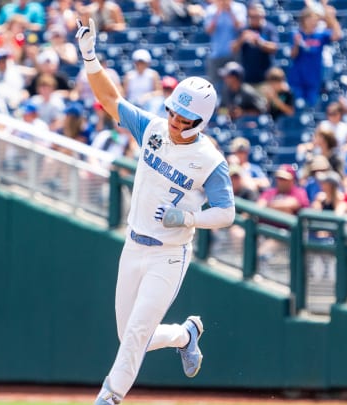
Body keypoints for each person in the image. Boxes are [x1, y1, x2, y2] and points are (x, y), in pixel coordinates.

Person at [75, 18, 236, 405]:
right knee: (130, 335)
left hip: (168, 253)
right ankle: (185, 335)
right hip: (133, 246)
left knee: (135, 335)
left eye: (186, 119)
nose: (176, 122)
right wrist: (89, 56)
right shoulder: (154, 128)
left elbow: (226, 212)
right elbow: (111, 99)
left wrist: (192, 218)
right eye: (173, 113)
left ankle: (110, 397)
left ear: (203, 121)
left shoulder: (208, 159)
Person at [287, 4, 342, 108]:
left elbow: (337, 35)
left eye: (316, 20)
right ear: (304, 20)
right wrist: (296, 44)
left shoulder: (320, 35)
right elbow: (292, 55)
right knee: (297, 106)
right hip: (297, 78)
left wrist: (331, 17)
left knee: (311, 107)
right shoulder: (296, 34)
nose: (314, 23)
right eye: (311, 20)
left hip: (314, 78)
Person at [231, 2, 279, 87]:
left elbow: (274, 48)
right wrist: (242, 39)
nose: (255, 19)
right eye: (252, 16)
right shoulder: (244, 29)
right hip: (247, 78)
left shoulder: (269, 28)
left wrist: (259, 42)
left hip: (265, 78)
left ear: (263, 15)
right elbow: (233, 48)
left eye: (258, 16)